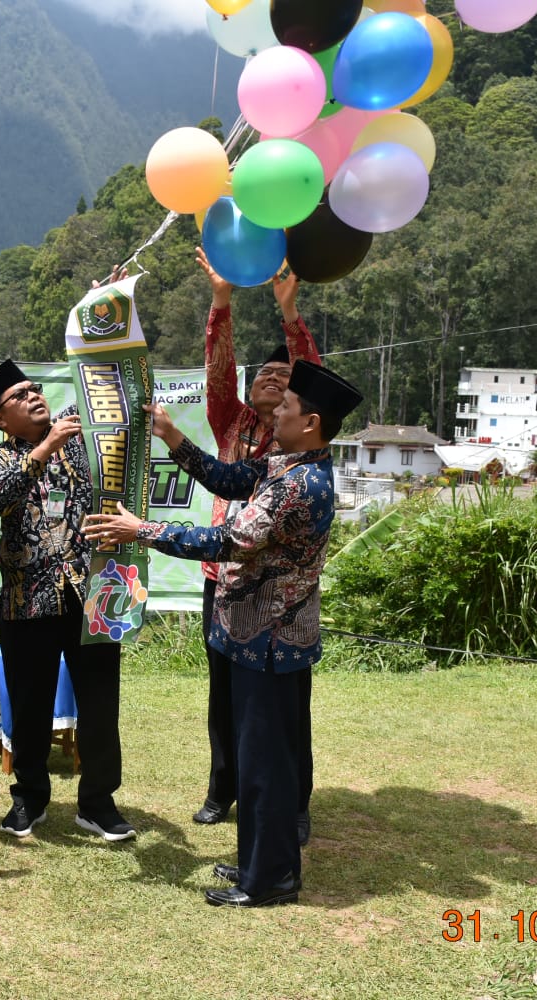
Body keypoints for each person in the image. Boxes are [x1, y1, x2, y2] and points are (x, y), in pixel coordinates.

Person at [84, 360, 363, 907]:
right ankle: (257, 863)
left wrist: (141, 529)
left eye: (285, 407)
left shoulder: (301, 484)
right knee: (255, 760)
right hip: (253, 637)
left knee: (266, 767)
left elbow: (228, 539)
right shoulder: (287, 463)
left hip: (271, 642)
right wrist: (173, 437)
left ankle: (272, 880)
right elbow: (230, 479)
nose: (275, 411)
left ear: (310, 422)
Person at [0, 360, 134, 843]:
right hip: (28, 605)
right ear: (0, 419)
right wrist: (44, 449)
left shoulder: (81, 437)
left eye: (35, 388)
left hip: (96, 596)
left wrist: (109, 315)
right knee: (30, 704)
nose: (34, 396)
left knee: (101, 705)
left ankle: (98, 804)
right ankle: (30, 798)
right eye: (20, 396)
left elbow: (114, 390)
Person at [193, 247, 321, 837]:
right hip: (222, 580)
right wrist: (221, 300)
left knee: (287, 703)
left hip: (281, 589)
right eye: (261, 376)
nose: (270, 378)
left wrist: (289, 314)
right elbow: (220, 367)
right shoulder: (233, 423)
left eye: (282, 376)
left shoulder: (300, 442)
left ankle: (291, 805)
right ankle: (225, 789)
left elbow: (308, 367)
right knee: (225, 697)